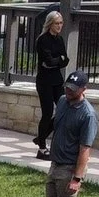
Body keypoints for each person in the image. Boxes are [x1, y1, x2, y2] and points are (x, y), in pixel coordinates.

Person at [43, 69, 99, 197]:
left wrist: (77, 178)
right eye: (67, 86)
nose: (68, 91)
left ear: (84, 89)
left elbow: (85, 149)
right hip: (55, 164)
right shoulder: (61, 102)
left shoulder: (88, 115)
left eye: (73, 89)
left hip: (69, 169)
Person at [32, 11, 68, 159]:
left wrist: (57, 60)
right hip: (44, 81)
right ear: (50, 24)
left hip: (57, 80)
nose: (59, 26)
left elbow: (65, 60)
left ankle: (41, 136)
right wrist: (58, 60)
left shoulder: (59, 40)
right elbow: (47, 61)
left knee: (63, 110)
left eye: (61, 23)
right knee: (47, 113)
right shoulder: (43, 40)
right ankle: (41, 147)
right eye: (56, 23)